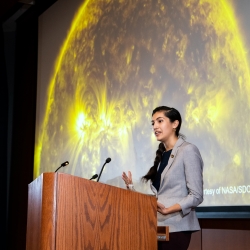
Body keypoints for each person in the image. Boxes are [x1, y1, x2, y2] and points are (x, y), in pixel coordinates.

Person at [122, 106, 203, 250]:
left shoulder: (188, 150)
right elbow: (158, 196)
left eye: (160, 121)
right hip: (156, 225)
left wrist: (169, 209)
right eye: (153, 123)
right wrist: (131, 187)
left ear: (175, 124)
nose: (155, 126)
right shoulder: (162, 156)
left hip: (177, 227)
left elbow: (196, 195)